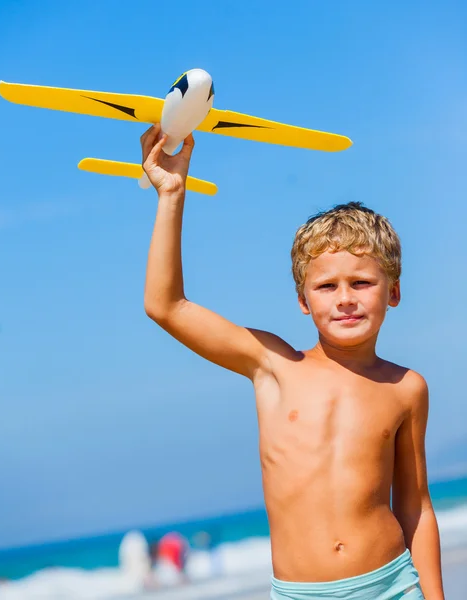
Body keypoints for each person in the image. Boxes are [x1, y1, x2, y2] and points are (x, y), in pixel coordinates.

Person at [140, 123, 445, 600]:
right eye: (326, 286)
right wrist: (172, 193)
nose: (345, 299)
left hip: (393, 584)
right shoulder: (273, 366)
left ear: (395, 291)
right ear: (304, 300)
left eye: (361, 283)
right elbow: (167, 306)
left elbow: (416, 507)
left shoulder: (406, 387)